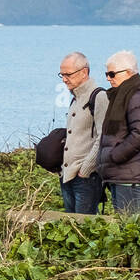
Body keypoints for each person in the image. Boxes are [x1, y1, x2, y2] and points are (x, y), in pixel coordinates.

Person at [97, 50, 140, 215]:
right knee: (122, 229)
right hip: (118, 176)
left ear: (128, 73)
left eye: (111, 74)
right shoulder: (120, 96)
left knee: (130, 230)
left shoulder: (136, 96)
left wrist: (115, 155)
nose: (108, 78)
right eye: (106, 74)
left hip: (128, 176)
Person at [58, 51, 107, 215]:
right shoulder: (75, 98)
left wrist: (86, 169)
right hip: (67, 175)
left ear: (84, 72)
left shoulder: (99, 96)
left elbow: (104, 136)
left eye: (68, 74)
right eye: (62, 74)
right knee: (70, 227)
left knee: (85, 229)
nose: (64, 79)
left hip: (86, 178)